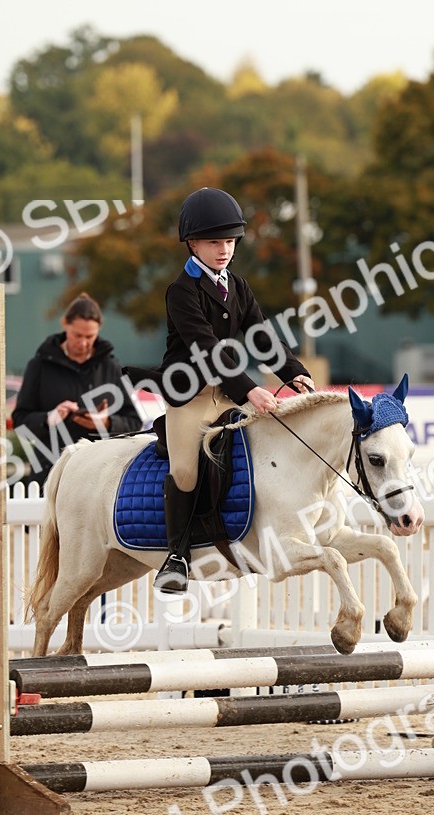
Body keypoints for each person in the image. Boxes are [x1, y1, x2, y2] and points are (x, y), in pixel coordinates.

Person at [153, 187, 314, 594]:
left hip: (224, 394)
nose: (223, 249)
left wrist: (293, 371)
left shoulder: (238, 287)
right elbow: (207, 350)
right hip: (189, 396)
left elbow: (261, 338)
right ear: (192, 244)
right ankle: (176, 557)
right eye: (213, 242)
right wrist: (250, 391)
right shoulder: (181, 291)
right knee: (186, 470)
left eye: (229, 241)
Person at [12, 293, 142, 489]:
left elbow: (133, 422)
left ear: (99, 330)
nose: (83, 343)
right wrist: (48, 419)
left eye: (90, 337)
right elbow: (20, 420)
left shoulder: (111, 367)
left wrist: (106, 423)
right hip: (51, 473)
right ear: (65, 325)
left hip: (98, 476)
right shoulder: (39, 365)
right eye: (77, 335)